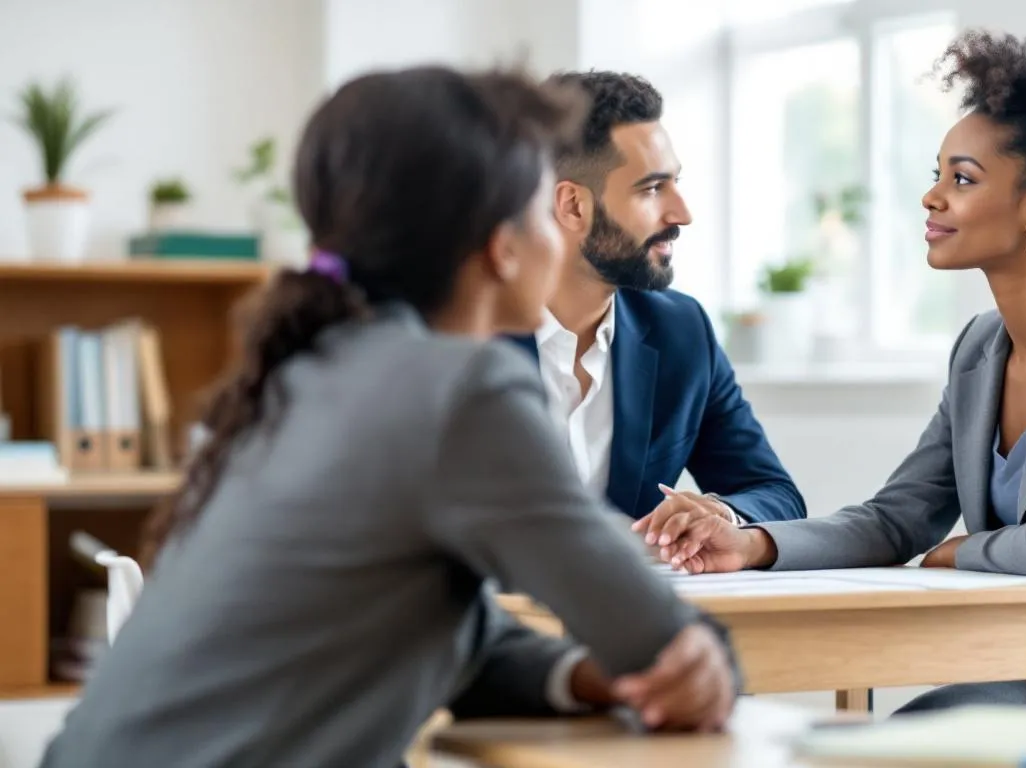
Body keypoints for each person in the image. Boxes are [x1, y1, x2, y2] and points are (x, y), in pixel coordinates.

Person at [39, 66, 737, 768]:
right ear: (502, 244)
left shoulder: (309, 372)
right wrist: (694, 661)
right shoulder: (462, 389)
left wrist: (581, 675)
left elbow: (433, 627)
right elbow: (661, 642)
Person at [642, 31, 1026, 709]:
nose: (932, 197)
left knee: (909, 739)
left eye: (963, 179)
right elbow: (896, 521)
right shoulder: (980, 349)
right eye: (937, 173)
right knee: (890, 741)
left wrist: (960, 552)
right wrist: (749, 545)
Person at [508, 70, 805, 535]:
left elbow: (774, 493)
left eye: (676, 183)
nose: (681, 213)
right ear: (573, 207)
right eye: (651, 189)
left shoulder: (680, 329)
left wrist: (718, 515)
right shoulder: (457, 331)